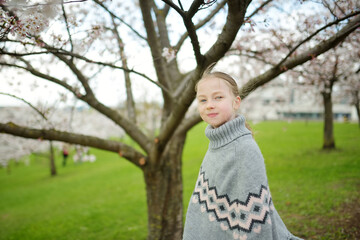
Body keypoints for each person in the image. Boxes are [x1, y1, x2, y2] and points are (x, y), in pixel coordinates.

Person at [183, 64, 302, 240]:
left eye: (218, 97)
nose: (209, 105)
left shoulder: (243, 150)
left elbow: (254, 220)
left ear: (236, 102)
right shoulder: (217, 142)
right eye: (203, 100)